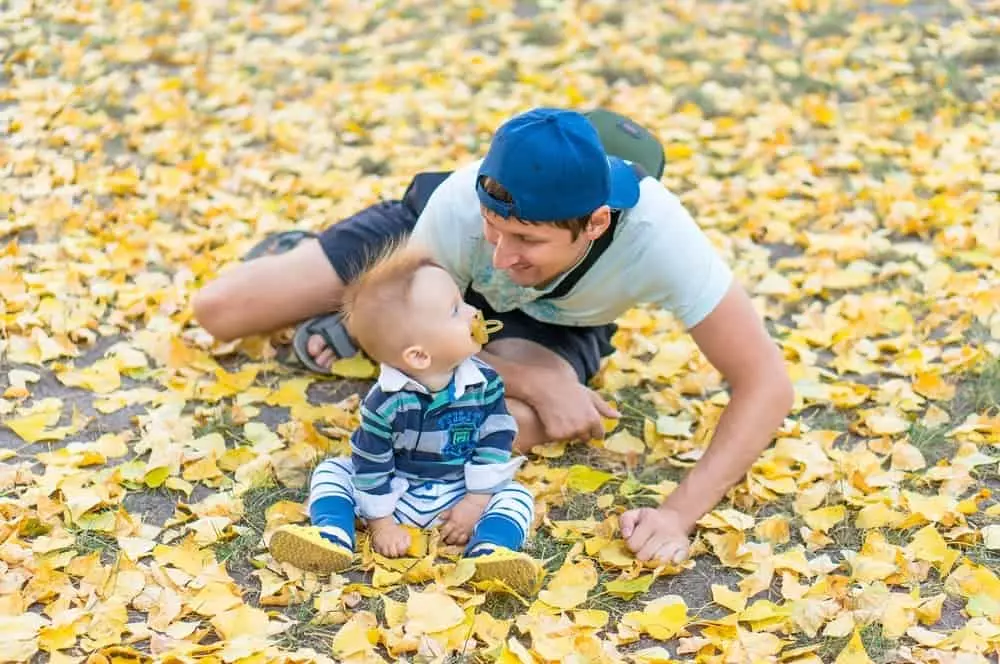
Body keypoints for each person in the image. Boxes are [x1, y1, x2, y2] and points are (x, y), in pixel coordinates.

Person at [193, 107, 794, 566]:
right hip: (424, 279)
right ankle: (326, 289)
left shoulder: (661, 238)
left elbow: (765, 383)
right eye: (495, 230)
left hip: (552, 322)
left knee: (503, 425)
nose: (502, 257)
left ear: (595, 223)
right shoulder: (458, 206)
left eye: (527, 240)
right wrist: (537, 379)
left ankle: (343, 318)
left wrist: (676, 514)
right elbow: (404, 332)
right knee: (219, 310)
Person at [269, 243, 539, 594]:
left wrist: (476, 501)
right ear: (419, 355)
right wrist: (381, 523)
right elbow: (371, 463)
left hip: (460, 492)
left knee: (517, 496)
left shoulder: (484, 382)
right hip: (398, 494)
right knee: (334, 471)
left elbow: (496, 436)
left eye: (463, 301)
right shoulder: (385, 404)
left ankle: (489, 550)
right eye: (456, 310)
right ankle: (333, 533)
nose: (474, 313)